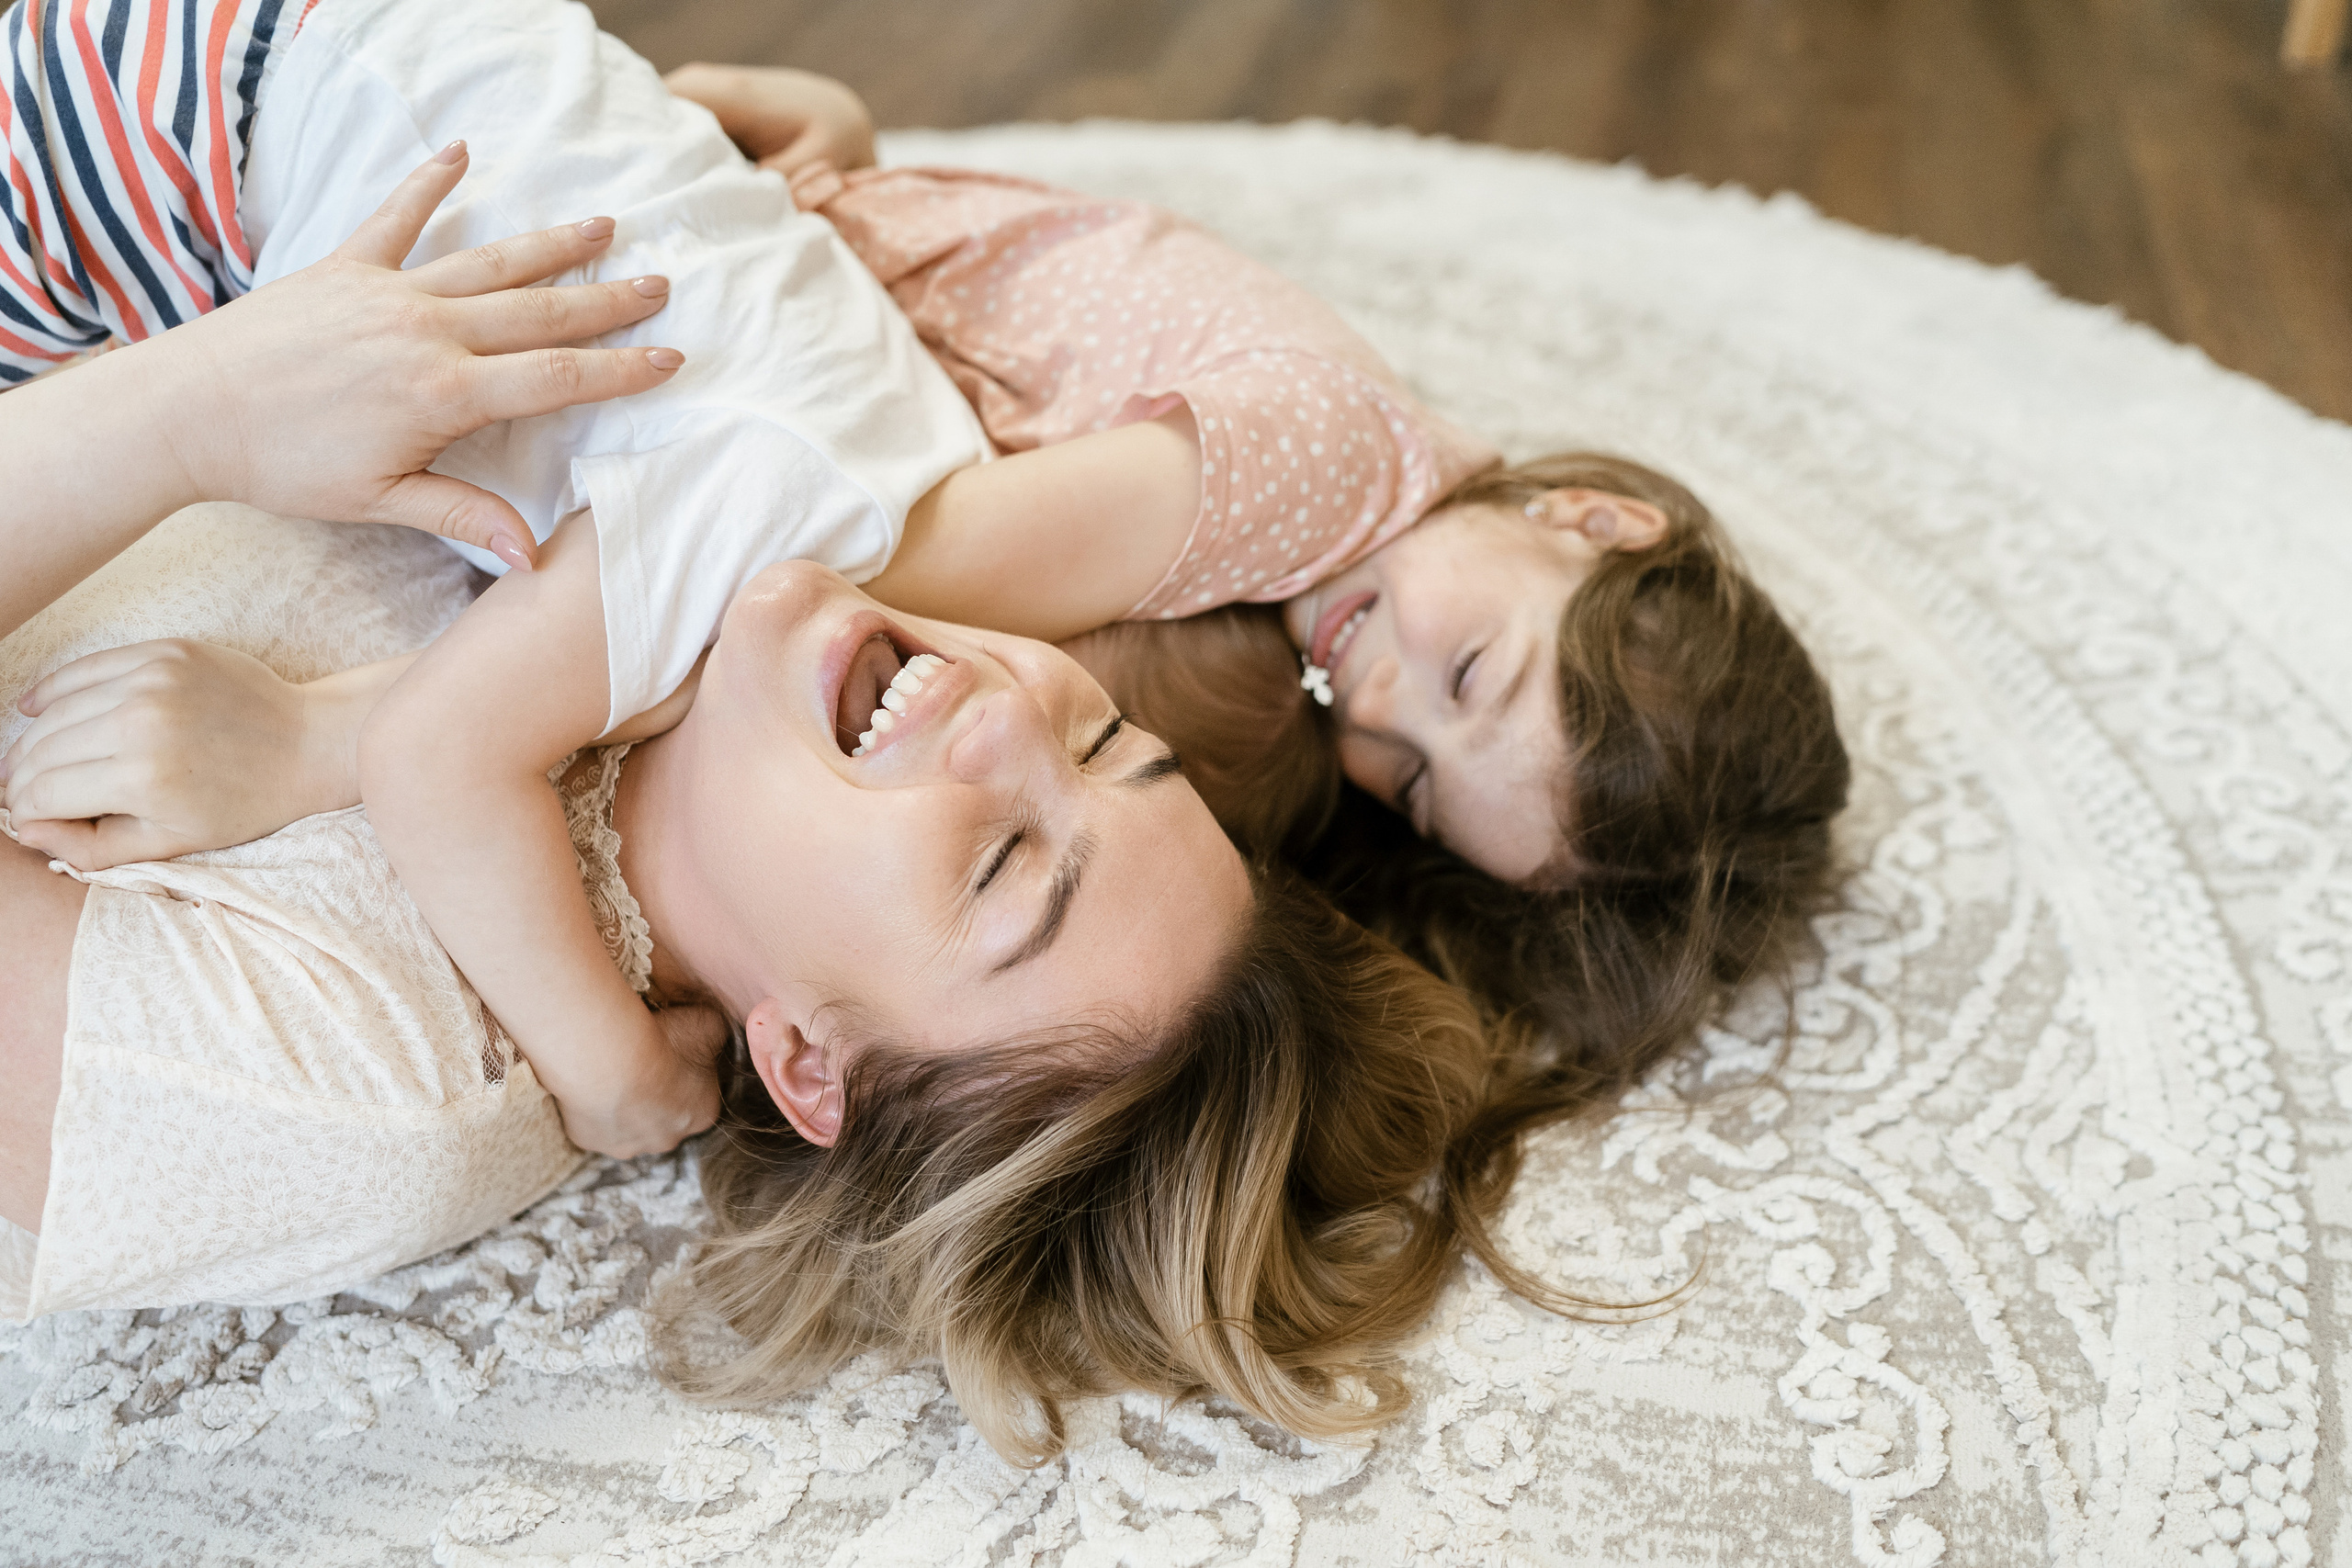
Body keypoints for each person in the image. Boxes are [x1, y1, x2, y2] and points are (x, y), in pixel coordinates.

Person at [1, 556, 1545, 1470]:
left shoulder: (365, 1088)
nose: (1009, 703)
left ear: (812, 1064)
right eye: (1103, 731)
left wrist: (186, 419)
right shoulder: (717, 597)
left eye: (1007, 861)